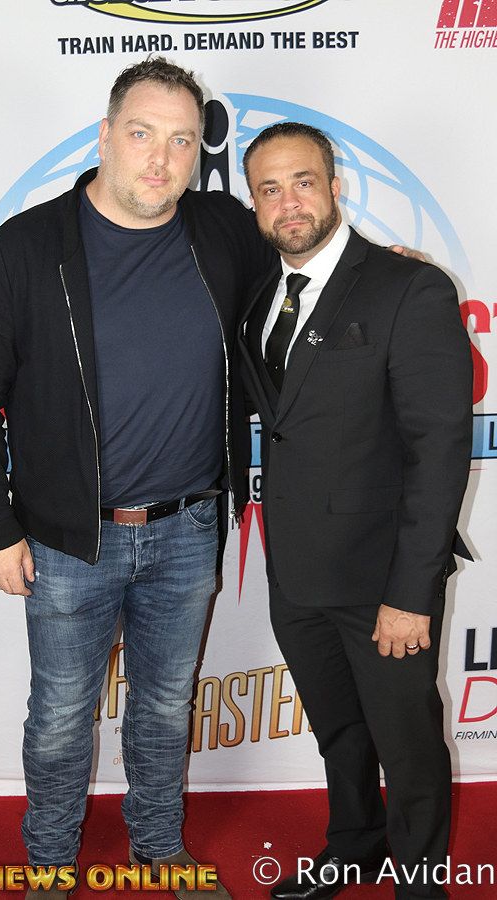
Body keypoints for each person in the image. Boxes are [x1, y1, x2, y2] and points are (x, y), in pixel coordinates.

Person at [0, 57, 423, 898]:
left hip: (190, 529)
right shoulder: (27, 248)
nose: (160, 158)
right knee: (60, 718)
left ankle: (158, 852)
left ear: (199, 151)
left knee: (166, 709)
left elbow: (306, 264)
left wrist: (381, 270)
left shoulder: (220, 229)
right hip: (68, 539)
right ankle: (48, 865)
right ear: (105, 136)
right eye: (142, 134)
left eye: (181, 141)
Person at [238, 123, 472, 900]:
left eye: (303, 182)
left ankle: (421, 883)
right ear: (254, 204)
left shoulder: (409, 288)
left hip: (382, 580)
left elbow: (438, 450)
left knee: (407, 746)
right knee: (339, 732)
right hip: (296, 572)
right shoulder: (259, 294)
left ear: (336, 187)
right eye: (269, 189)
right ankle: (353, 846)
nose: (288, 202)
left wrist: (412, 593)